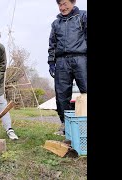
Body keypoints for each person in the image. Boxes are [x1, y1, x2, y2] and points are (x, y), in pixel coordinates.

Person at [47, 0, 87, 135]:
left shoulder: (83, 16)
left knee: (86, 90)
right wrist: (51, 62)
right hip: (62, 61)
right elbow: (52, 44)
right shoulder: (56, 23)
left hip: (81, 58)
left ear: (73, 2)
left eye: (65, 4)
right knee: (61, 95)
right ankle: (66, 125)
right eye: (60, 5)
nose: (62, 7)